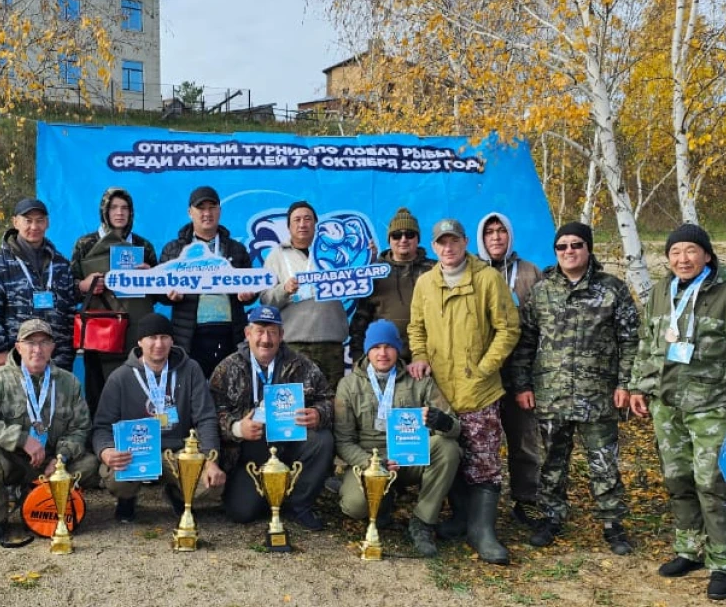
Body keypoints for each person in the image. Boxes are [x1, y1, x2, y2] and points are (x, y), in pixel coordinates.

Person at [630, 224, 726, 601]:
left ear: (707, 255)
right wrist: (639, 387)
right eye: (675, 252)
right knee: (677, 479)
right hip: (668, 405)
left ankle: (723, 563)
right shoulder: (661, 292)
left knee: (711, 482)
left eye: (691, 251)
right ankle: (689, 550)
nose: (683, 259)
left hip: (713, 406)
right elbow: (648, 345)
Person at [510, 221, 638, 555]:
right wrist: (522, 384)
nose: (569, 251)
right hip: (552, 393)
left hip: (597, 394)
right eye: (562, 246)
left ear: (588, 249)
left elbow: (630, 340)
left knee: (603, 461)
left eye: (576, 245)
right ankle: (551, 516)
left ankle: (612, 523)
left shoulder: (613, 289)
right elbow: (525, 341)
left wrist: (626, 383)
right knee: (552, 461)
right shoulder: (542, 291)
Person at [407, 218, 520, 565]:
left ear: (465, 241)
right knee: (451, 455)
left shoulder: (487, 278)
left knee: (484, 461)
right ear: (435, 245)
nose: (448, 248)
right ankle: (459, 517)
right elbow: (416, 327)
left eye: (454, 241)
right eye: (441, 242)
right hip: (441, 392)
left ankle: (483, 530)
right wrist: (421, 355)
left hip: (480, 390)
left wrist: (486, 367)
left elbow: (508, 328)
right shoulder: (425, 283)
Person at [0, 319, 98, 543]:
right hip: (12, 461)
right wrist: (20, 439)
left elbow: (80, 428)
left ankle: (39, 498)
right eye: (30, 343)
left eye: (44, 342)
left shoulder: (69, 382)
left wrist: (61, 457)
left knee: (90, 464)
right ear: (18, 347)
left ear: (53, 347)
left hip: (51, 464)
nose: (37, 349)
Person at [336, 320, 462, 557]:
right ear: (367, 350)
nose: (382, 353)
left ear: (398, 348)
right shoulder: (349, 385)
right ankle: (381, 502)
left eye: (388, 346)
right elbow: (343, 441)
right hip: (372, 460)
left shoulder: (419, 380)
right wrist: (369, 464)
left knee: (447, 447)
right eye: (375, 347)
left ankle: (423, 520)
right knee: (354, 507)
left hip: (411, 456)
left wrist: (442, 422)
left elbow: (455, 428)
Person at [210, 305, 335, 530]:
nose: (265, 339)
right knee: (242, 512)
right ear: (248, 334)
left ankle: (300, 504)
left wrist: (318, 414)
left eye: (272, 332)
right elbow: (211, 414)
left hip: (290, 444)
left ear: (281, 335)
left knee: (322, 440)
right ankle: (269, 496)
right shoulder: (227, 368)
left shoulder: (301, 364)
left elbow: (328, 398)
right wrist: (237, 428)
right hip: (248, 453)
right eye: (259, 331)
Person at [92, 313, 224, 522]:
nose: (158, 344)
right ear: (139, 341)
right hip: (136, 450)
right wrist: (106, 451)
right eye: (152, 337)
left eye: (164, 337)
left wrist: (211, 459)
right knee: (116, 477)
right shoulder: (120, 377)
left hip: (178, 450)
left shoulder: (190, 370)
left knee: (213, 486)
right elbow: (101, 426)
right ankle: (127, 497)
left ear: (172, 340)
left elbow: (205, 418)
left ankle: (179, 493)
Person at [476, 211, 544, 525]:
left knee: (524, 439)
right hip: (483, 371)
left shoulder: (530, 272)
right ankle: (475, 505)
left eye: (501, 231)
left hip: (521, 373)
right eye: (489, 232)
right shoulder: (472, 272)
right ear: (480, 238)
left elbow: (544, 324)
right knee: (478, 440)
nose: (496, 237)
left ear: (510, 235)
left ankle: (526, 499)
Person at [69, 187, 161, 414]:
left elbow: (159, 294)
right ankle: (100, 440)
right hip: (100, 329)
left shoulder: (144, 246)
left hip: (134, 328)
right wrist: (84, 285)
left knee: (136, 383)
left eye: (125, 208)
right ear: (104, 211)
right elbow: (68, 288)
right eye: (113, 207)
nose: (119, 213)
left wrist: (151, 277)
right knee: (97, 387)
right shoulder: (86, 244)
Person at [160, 186, 256, 377]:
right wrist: (168, 295)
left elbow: (253, 285)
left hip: (230, 333)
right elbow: (158, 291)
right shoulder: (173, 250)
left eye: (212, 207)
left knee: (230, 389)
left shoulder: (236, 248)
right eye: (200, 208)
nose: (207, 213)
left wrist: (249, 295)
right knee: (192, 392)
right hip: (190, 335)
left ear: (219, 211)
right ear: (190, 212)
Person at [0, 197, 78, 374]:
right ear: (15, 222)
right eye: (28, 221)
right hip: (14, 358)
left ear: (47, 223)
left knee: (55, 402)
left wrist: (67, 352)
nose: (34, 227)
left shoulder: (60, 263)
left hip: (57, 359)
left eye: (40, 221)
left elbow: (69, 309)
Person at [260, 200, 348, 384]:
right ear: (289, 226)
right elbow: (266, 300)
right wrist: (284, 289)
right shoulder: (276, 256)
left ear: (316, 224)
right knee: (295, 404)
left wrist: (368, 262)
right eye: (297, 220)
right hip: (293, 342)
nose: (302, 224)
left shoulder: (335, 251)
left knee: (331, 402)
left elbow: (359, 278)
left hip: (330, 340)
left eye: (307, 219)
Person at [348, 207, 435, 361]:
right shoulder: (374, 273)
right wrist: (358, 359)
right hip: (386, 360)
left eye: (409, 234)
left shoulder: (435, 271)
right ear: (389, 240)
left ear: (418, 238)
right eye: (396, 235)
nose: (403, 239)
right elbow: (360, 320)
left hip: (429, 358)